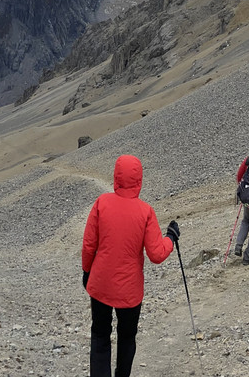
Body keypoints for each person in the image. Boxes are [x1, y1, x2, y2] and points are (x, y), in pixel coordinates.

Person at [82, 154, 180, 377]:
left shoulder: (101, 203)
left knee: (100, 336)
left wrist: (87, 271)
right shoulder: (145, 211)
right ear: (139, 180)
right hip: (130, 291)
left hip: (100, 285)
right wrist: (171, 239)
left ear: (116, 177)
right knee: (126, 338)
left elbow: (89, 245)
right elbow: (156, 254)